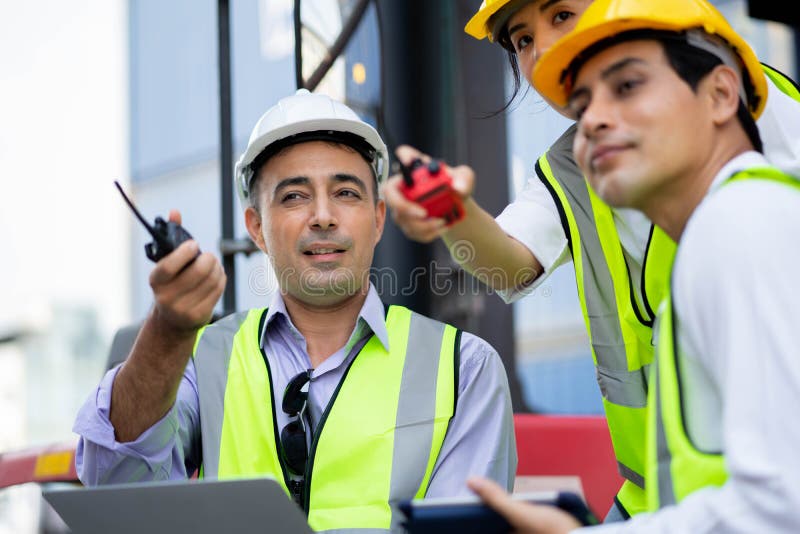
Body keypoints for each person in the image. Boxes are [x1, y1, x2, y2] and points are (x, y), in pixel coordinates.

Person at [382, 0, 800, 519]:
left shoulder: (750, 212)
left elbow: (777, 504)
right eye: (522, 41)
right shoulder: (579, 159)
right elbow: (505, 268)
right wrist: (451, 215)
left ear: (723, 92)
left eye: (562, 15)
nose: (545, 52)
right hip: (659, 495)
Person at [72, 89, 517, 533]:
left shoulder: (465, 370)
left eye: (345, 192)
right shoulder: (202, 359)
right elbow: (114, 480)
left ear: (378, 218)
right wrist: (168, 332)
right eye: (294, 197)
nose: (323, 216)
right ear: (256, 228)